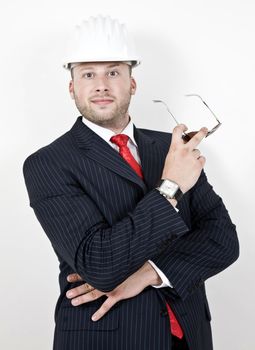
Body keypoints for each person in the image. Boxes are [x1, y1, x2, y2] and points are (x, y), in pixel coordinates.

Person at [23, 15, 239, 350]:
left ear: (132, 83)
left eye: (113, 72)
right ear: (72, 88)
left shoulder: (172, 148)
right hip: (108, 337)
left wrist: (149, 273)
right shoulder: (48, 163)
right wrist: (170, 186)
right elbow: (100, 265)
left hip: (188, 335)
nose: (101, 85)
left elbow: (223, 240)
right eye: (88, 74)